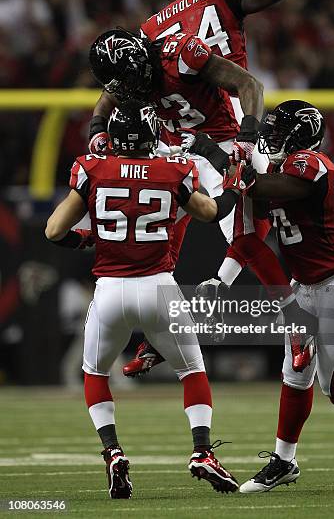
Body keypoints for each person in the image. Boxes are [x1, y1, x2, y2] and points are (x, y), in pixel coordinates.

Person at [89, 0, 298, 376]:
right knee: (251, 225)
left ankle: (169, 325)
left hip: (189, 132)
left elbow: (110, 93)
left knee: (173, 222)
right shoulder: (206, 9)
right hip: (219, 121)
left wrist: (97, 130)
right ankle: (288, 319)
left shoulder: (152, 32)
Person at [188, 100, 334, 494]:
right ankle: (284, 461)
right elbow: (251, 226)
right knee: (295, 375)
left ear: (300, 135)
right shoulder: (282, 165)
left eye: (278, 129)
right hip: (305, 285)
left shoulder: (313, 163)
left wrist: (219, 158)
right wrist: (223, 276)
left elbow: (266, 187)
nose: (270, 135)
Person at [45, 102, 256, 498]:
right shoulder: (171, 171)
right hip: (159, 286)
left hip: (109, 288)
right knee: (191, 370)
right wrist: (233, 188)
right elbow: (211, 213)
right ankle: (202, 451)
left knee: (94, 372)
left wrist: (87, 239)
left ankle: (112, 452)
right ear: (149, 135)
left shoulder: (92, 169)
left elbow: (54, 230)